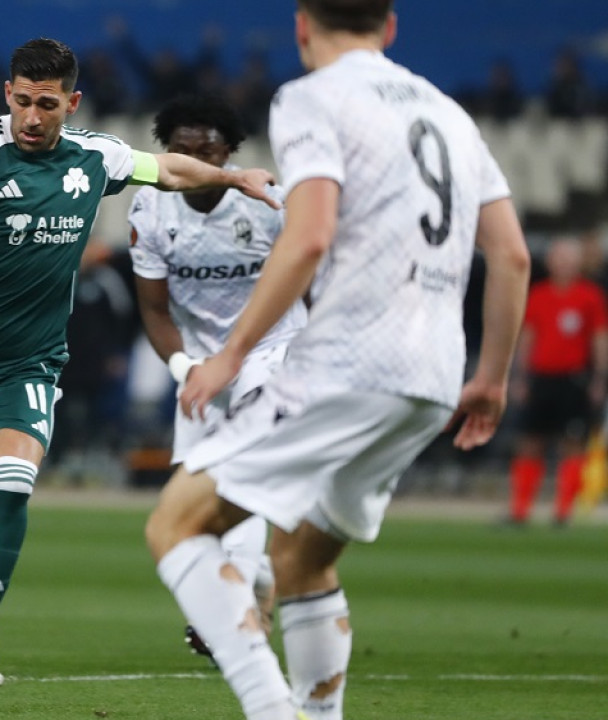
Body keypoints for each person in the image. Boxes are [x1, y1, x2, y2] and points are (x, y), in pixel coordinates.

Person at [143, 2, 531, 719]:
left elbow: (310, 235)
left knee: (175, 525)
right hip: (433, 378)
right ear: (390, 27)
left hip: (348, 365)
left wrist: (230, 354)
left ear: (301, 26)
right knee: (302, 559)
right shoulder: (448, 112)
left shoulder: (311, 98)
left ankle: (272, 711)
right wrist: (491, 378)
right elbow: (511, 255)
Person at [0, 37, 278, 687]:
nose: (31, 117)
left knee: (13, 482)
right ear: (7, 94)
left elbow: (169, 169)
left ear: (72, 103)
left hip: (27, 363)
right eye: (21, 101)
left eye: (47, 104)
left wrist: (235, 177)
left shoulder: (96, 156)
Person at [128, 93, 303, 660]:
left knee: (239, 470)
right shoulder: (150, 209)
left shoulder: (269, 203)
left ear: (229, 153)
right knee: (198, 491)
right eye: (182, 150)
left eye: (207, 151)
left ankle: (230, 613)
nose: (196, 161)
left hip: (272, 348)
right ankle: (257, 581)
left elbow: (309, 279)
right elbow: (155, 310)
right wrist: (187, 369)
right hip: (201, 363)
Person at [508, 237, 608, 526]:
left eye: (568, 258)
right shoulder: (538, 294)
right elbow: (528, 337)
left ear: (578, 263)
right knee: (530, 442)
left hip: (573, 379)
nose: (563, 263)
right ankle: (520, 509)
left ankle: (564, 511)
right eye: (559, 257)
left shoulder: (590, 296)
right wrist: (520, 376)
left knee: (572, 443)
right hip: (541, 377)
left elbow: (599, 338)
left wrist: (599, 378)